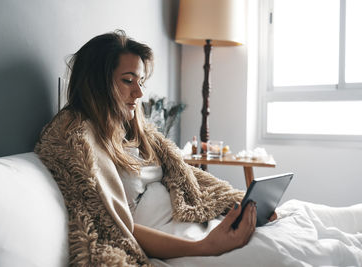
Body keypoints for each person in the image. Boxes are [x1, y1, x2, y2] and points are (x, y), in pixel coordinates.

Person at [34, 30, 272, 266]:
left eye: (140, 82)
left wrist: (242, 203)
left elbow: (187, 179)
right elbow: (114, 227)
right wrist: (206, 246)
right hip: (180, 243)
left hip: (193, 225)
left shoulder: (136, 133)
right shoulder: (80, 144)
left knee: (277, 240)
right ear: (98, 84)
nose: (138, 93)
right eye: (128, 81)